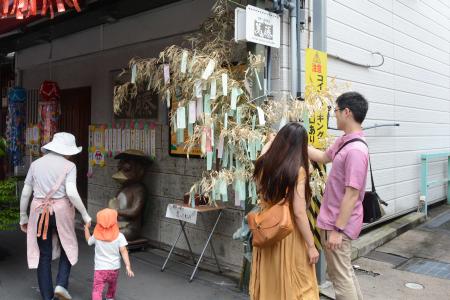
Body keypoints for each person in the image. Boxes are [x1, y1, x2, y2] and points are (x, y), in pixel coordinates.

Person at [308, 92, 369, 300]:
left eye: (335, 110)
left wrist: (337, 231)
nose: (334, 115)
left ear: (347, 112)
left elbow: (351, 195)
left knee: (340, 279)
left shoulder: (355, 151)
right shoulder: (344, 142)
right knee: (345, 273)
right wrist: (298, 141)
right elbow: (323, 157)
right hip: (334, 221)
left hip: (338, 225)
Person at [249, 122, 320, 300]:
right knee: (299, 285)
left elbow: (264, 153)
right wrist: (311, 246)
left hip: (268, 230)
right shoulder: (298, 170)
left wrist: (270, 141)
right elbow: (298, 212)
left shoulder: (264, 162)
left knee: (270, 283)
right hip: (287, 232)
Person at [19, 132, 92, 300]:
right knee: (68, 246)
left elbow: (25, 193)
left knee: (43, 254)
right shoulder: (69, 166)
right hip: (61, 211)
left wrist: (23, 215)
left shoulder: (35, 164)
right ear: (66, 150)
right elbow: (72, 193)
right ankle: (61, 284)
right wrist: (85, 214)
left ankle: (47, 296)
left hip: (39, 211)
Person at [84, 208, 134, 300]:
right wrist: (128, 266)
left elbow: (89, 241)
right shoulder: (119, 236)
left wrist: (86, 228)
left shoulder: (96, 235)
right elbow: (124, 251)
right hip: (114, 269)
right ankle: (110, 298)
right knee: (112, 287)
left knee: (97, 290)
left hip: (100, 269)